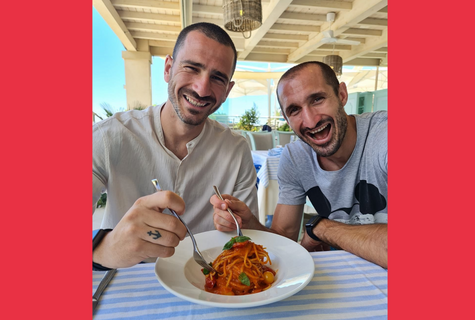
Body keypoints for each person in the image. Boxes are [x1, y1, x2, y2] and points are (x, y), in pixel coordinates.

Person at [92, 22, 259, 270]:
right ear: (168, 69)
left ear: (227, 91)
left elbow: (245, 235)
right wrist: (104, 249)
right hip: (126, 280)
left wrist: (241, 224)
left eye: (217, 78)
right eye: (192, 68)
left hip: (207, 282)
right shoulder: (109, 136)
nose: (202, 88)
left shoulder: (236, 149)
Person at [211, 61, 388, 268]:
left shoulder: (384, 136)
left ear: (341, 95)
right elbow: (283, 239)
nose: (311, 121)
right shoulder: (295, 158)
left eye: (317, 99)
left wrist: (323, 229)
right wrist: (249, 222)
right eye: (294, 110)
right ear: (286, 118)